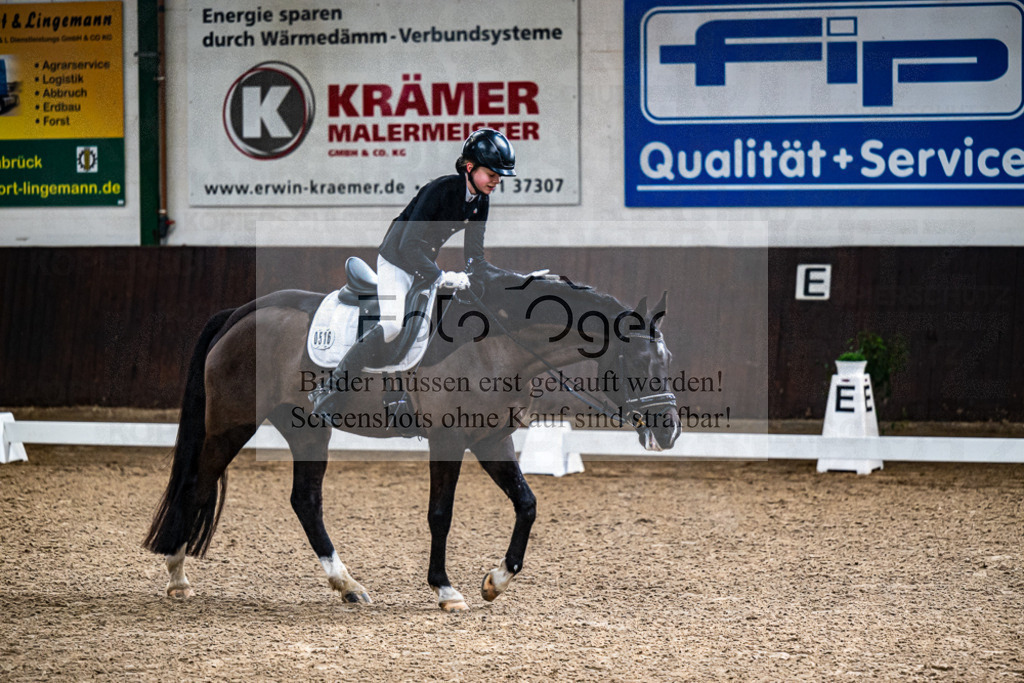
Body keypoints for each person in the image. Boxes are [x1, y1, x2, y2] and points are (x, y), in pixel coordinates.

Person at [309, 128, 517, 415]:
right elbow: (408, 245)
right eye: (492, 174)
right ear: (470, 167)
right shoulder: (440, 191)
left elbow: (476, 258)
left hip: (422, 265)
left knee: (435, 321)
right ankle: (331, 390)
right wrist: (439, 276)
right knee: (394, 325)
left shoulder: (481, 201)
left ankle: (402, 399)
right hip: (397, 259)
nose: (497, 181)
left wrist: (506, 280)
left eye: (499, 177)